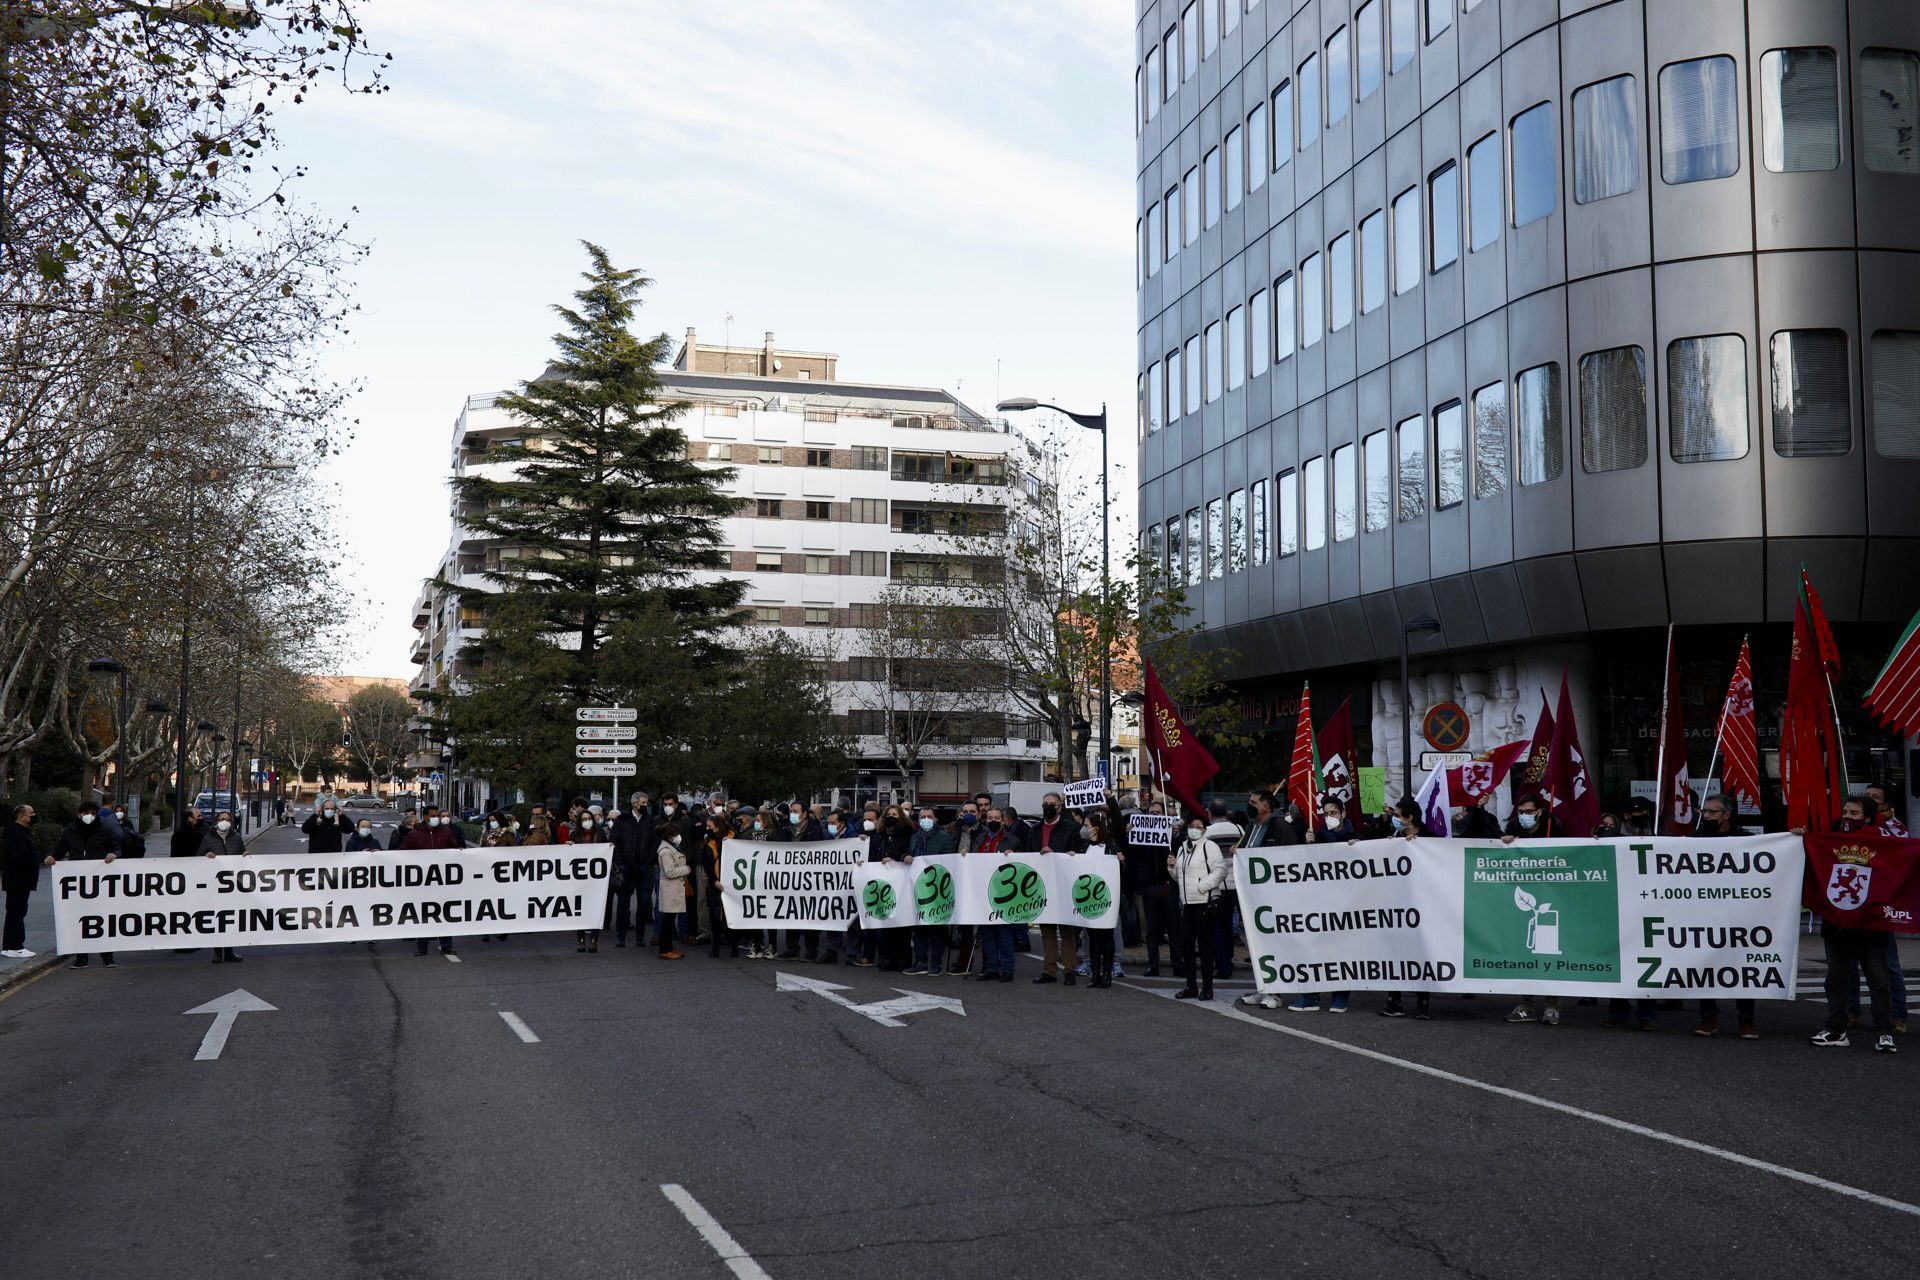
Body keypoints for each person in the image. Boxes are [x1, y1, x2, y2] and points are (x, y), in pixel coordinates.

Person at [1813, 799, 1898, 1053]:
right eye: (1845, 812)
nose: (1847, 816)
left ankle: (1884, 1031)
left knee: (1879, 980)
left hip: (1870, 926)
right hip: (1837, 923)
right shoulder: (1831, 840)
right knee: (1836, 979)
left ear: (1868, 818)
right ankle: (1836, 1028)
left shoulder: (1882, 843)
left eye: (1854, 813)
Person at [1692, 794, 1759, 1040]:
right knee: (1705, 965)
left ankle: (1746, 1019)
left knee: (1742, 964)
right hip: (1704, 914)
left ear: (1727, 815)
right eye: (1704, 812)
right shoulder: (1695, 839)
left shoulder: (1744, 840)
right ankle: (1708, 1017)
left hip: (1737, 914)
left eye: (1712, 812)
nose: (1707, 816)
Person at [1500, 793, 1564, 1027]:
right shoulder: (1515, 826)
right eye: (1521, 811)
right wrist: (1505, 841)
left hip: (1551, 896)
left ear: (1539, 811)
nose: (1524, 816)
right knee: (1525, 950)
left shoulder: (1553, 826)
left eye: (1529, 811)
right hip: (1526, 893)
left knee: (1549, 951)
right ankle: (1527, 1004)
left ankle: (1553, 1005)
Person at [1030, 791, 1087, 986]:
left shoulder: (1071, 828)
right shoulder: (1035, 830)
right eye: (1045, 803)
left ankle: (1069, 970)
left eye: (1052, 803)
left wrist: (1057, 854)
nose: (1048, 806)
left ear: (1060, 807)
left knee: (1066, 930)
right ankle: (1049, 970)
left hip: (1063, 885)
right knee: (1047, 931)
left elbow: (1077, 854)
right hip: (1042, 885)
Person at [56, 801, 120, 968]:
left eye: (92, 812)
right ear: (79, 814)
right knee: (79, 919)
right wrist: (52, 857)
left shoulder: (105, 830)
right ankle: (81, 958)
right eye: (86, 813)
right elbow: (60, 848)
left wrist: (113, 854)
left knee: (102, 919)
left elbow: (117, 847)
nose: (89, 816)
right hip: (77, 882)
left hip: (100, 881)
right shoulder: (71, 830)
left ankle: (107, 957)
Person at [1171, 815, 1227, 1000]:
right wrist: (1171, 868)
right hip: (1187, 903)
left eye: (1199, 826)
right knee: (1186, 945)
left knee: (1205, 947)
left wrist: (1202, 886)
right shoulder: (1182, 848)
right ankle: (1191, 985)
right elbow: (1180, 877)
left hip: (1204, 902)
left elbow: (1221, 870)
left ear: (1204, 829)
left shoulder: (1210, 847)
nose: (1195, 829)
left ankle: (1208, 987)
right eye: (1192, 826)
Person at [966, 808, 1019, 983]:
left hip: (1003, 892)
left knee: (1004, 933)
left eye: (997, 818)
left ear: (1003, 821)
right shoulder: (979, 839)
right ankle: (991, 967)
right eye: (990, 818)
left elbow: (1022, 864)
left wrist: (1013, 856)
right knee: (987, 933)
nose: (993, 820)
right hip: (983, 891)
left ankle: (1007, 968)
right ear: (985, 820)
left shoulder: (1012, 840)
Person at [903, 806, 956, 976]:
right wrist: (906, 856)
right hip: (919, 889)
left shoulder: (944, 838)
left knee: (936, 929)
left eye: (929, 816)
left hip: (938, 889)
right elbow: (908, 854)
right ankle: (920, 961)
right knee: (919, 928)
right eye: (922, 816)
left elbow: (948, 860)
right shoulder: (914, 838)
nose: (926, 819)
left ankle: (935, 963)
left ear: (935, 820)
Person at [399, 806, 459, 956]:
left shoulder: (446, 832)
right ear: (425, 817)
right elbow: (401, 853)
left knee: (445, 913)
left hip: (442, 881)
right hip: (422, 883)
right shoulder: (414, 834)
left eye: (437, 815)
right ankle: (422, 946)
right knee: (423, 914)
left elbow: (455, 850)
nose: (436, 818)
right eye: (432, 815)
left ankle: (446, 945)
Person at [776, 801, 826, 960]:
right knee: (791, 914)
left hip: (809, 879)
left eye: (796, 811)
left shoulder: (815, 830)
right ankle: (792, 948)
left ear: (804, 814)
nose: (792, 814)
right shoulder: (785, 830)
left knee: (809, 915)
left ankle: (811, 950)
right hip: (790, 879)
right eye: (791, 811)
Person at [198, 811, 246, 964]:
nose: (224, 821)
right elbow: (197, 857)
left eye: (227, 819)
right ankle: (217, 952)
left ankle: (230, 951)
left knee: (230, 918)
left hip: (232, 886)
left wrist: (246, 855)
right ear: (216, 821)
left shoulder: (236, 837)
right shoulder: (208, 838)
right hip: (215, 886)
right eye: (221, 819)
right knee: (218, 918)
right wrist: (207, 855)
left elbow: (241, 852)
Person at [1081, 806, 1121, 989]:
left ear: (1095, 827)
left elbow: (1118, 871)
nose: (1084, 828)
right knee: (1093, 937)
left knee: (1106, 937)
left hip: (1106, 897)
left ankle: (1107, 973)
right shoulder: (1084, 847)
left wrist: (1120, 860)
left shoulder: (1110, 847)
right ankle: (1095, 974)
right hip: (1089, 897)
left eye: (1087, 825)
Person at [609, 793, 655, 949]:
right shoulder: (622, 820)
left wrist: (648, 859)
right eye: (643, 802)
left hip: (643, 867)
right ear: (635, 803)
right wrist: (621, 862)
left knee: (643, 901)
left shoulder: (649, 820)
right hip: (626, 867)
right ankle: (621, 936)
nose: (645, 805)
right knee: (623, 902)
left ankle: (640, 936)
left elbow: (654, 842)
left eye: (646, 802)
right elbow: (615, 840)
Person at [567, 806, 609, 952]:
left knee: (595, 908)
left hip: (596, 879)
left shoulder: (600, 833)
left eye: (589, 819)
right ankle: (580, 940)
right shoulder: (574, 835)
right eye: (584, 819)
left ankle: (593, 940)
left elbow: (607, 850)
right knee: (580, 908)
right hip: (579, 878)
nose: (587, 822)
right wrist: (568, 846)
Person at [3, 804, 42, 957]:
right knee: (16, 913)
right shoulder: (17, 834)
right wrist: (33, 862)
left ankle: (10, 946)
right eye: (31, 813)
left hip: (18, 880)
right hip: (18, 880)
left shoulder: (19, 832)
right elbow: (19, 856)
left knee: (15, 912)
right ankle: (15, 946)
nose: (34, 815)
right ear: (22, 817)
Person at [654, 821, 691, 959]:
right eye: (676, 834)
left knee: (669, 920)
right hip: (671, 889)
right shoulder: (665, 851)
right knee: (667, 922)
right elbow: (669, 872)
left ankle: (668, 948)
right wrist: (686, 869)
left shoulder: (671, 847)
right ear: (670, 836)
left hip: (674, 889)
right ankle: (665, 949)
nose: (678, 836)